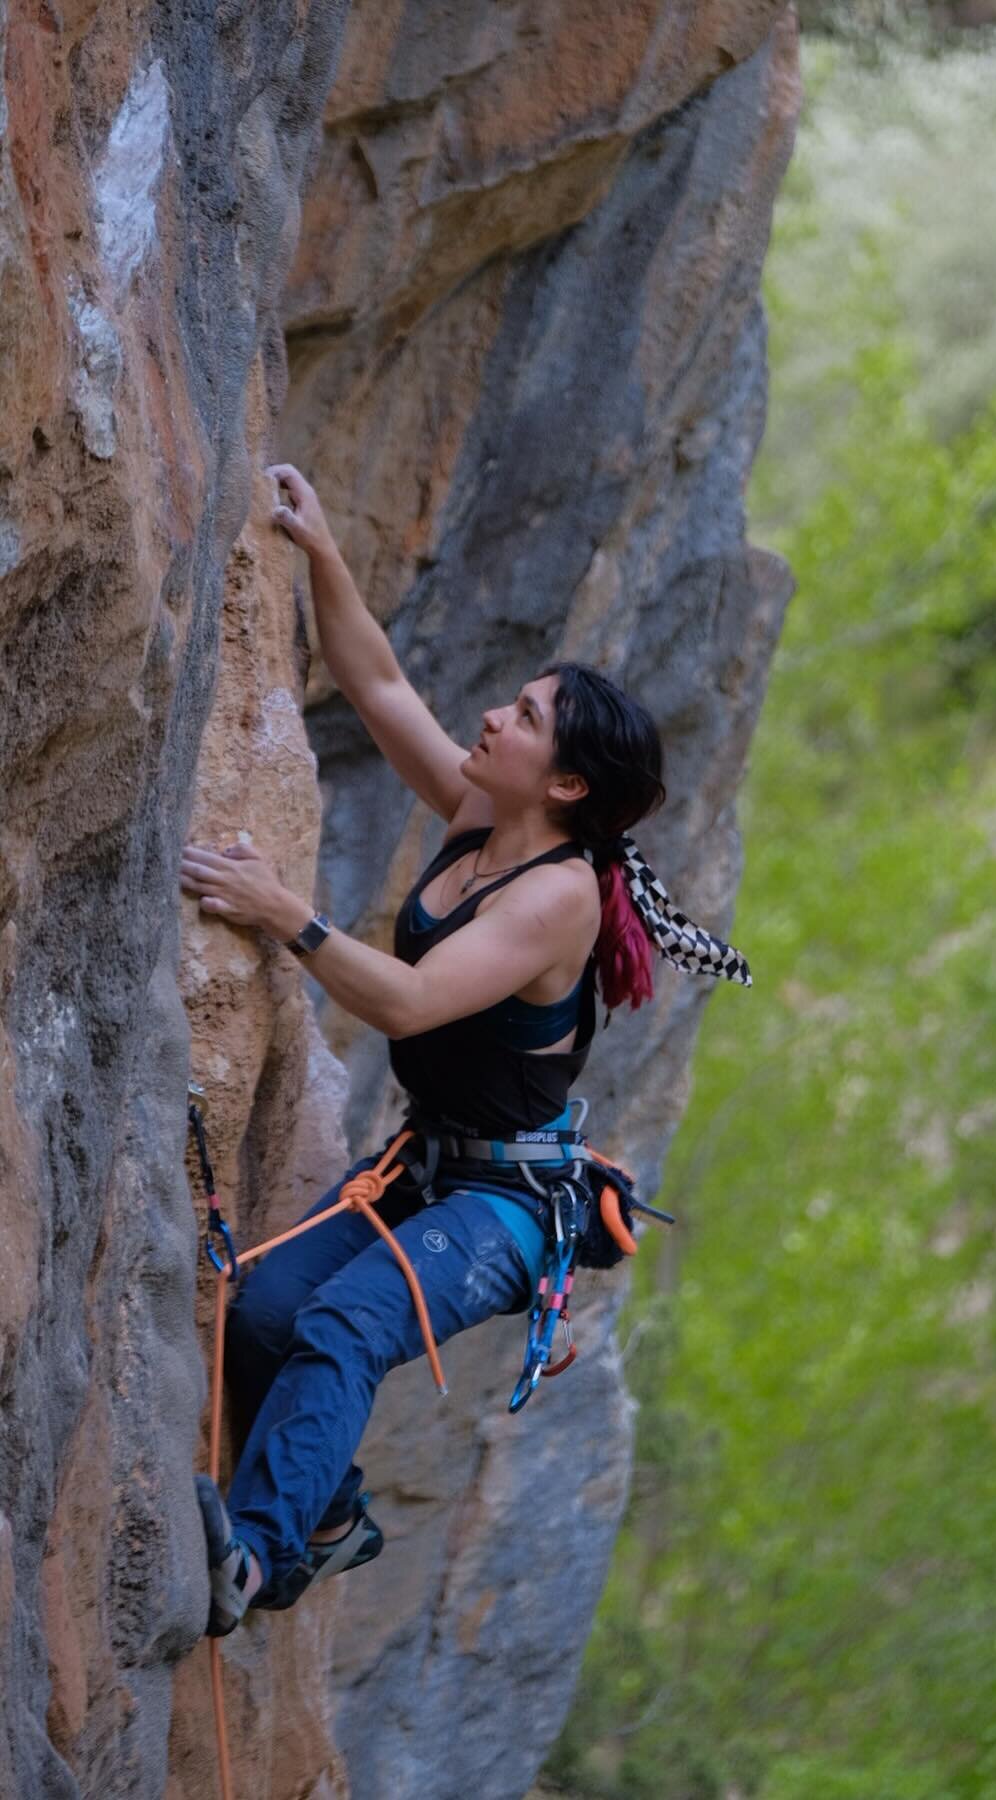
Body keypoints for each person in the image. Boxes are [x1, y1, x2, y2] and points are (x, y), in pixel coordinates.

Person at [182, 465, 749, 1637]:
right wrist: (325, 548)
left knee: (348, 1323)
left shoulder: (561, 896)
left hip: (503, 1203)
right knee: (262, 1313)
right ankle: (327, 1514)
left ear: (569, 784)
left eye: (526, 719)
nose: (496, 716)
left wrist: (278, 909)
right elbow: (378, 683)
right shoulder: (486, 817)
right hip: (431, 1165)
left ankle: (249, 1560)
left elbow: (403, 1003)